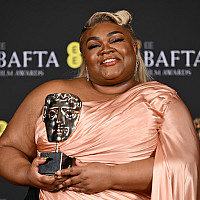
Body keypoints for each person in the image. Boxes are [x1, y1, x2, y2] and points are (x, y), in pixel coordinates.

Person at [0, 10, 199, 200]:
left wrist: (112, 175)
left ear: (134, 47)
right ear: (84, 58)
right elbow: (7, 147)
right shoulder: (50, 93)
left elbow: (184, 167)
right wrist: (27, 174)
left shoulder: (161, 101)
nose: (106, 49)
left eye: (116, 40)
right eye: (94, 45)